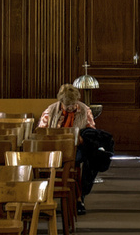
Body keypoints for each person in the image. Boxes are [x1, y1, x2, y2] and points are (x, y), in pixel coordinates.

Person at [39, 85, 102, 214]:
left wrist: (82, 138)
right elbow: (40, 132)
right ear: (61, 102)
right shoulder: (50, 110)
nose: (71, 107)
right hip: (54, 147)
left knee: (77, 160)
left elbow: (92, 132)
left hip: (76, 147)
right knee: (69, 162)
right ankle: (75, 199)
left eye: (73, 104)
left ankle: (79, 197)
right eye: (67, 105)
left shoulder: (85, 110)